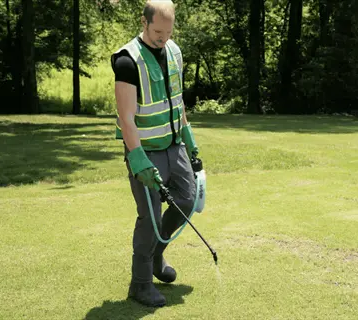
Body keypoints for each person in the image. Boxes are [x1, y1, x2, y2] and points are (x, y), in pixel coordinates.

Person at [111, 0, 200, 308]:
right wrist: (138, 159)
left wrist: (189, 139)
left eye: (169, 30)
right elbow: (126, 117)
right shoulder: (127, 61)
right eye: (158, 31)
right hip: (145, 148)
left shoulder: (174, 52)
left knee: (187, 200)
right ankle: (140, 284)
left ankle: (156, 252)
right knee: (149, 216)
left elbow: (177, 99)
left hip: (173, 145)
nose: (163, 37)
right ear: (144, 22)